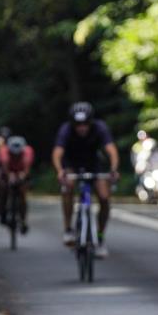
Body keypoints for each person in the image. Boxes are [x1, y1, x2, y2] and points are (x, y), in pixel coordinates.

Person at [52, 102, 119, 257]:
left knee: (104, 198)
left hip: (94, 164)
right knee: (67, 186)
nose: (81, 127)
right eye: (77, 124)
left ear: (90, 122)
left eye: (85, 124)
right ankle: (68, 229)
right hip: (71, 164)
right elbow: (57, 153)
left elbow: (111, 150)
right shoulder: (66, 130)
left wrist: (114, 169)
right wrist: (60, 171)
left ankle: (100, 237)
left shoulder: (100, 127)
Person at [0, 135, 35, 234]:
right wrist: (9, 176)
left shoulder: (27, 152)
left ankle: (23, 220)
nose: (15, 156)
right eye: (13, 154)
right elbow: (5, 167)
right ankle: (3, 212)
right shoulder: (4, 152)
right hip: (7, 172)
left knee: (23, 194)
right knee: (2, 189)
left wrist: (22, 176)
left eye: (17, 155)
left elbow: (27, 168)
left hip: (21, 172)